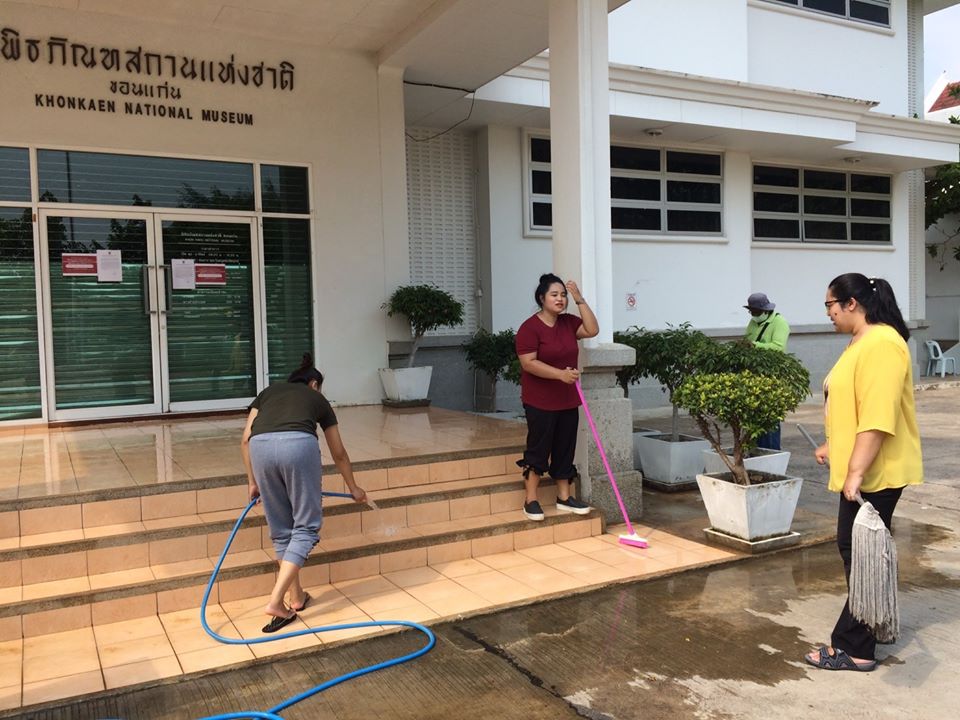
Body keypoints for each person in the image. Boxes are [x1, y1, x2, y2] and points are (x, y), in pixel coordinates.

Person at [804, 273, 923, 672]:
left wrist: (855, 471)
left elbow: (877, 418)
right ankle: (873, 625)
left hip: (878, 471)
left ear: (851, 303)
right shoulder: (861, 341)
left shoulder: (882, 344)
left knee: (861, 553)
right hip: (864, 466)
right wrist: (833, 446)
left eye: (830, 305)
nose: (828, 313)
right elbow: (851, 406)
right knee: (857, 551)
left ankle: (856, 647)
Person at [240, 353, 367, 633]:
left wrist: (252, 482)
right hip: (298, 445)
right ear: (314, 384)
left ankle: (295, 598)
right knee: (306, 527)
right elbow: (339, 452)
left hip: (260, 449)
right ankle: (276, 601)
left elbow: (246, 439)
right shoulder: (317, 399)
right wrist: (354, 488)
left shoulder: (268, 393)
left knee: (282, 530)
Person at [515, 273, 599, 521]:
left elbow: (592, 330)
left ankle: (564, 497)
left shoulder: (569, 323)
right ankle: (531, 499)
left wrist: (579, 299)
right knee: (539, 448)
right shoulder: (529, 328)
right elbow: (528, 363)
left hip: (567, 399)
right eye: (554, 295)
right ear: (542, 298)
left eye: (563, 295)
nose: (560, 299)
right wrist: (559, 374)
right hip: (539, 400)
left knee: (565, 446)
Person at [743, 292, 790, 450]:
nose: (753, 315)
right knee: (755, 418)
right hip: (754, 375)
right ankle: (758, 451)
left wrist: (755, 346)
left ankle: (772, 454)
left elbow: (778, 347)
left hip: (772, 375)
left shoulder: (779, 323)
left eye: (755, 312)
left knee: (770, 419)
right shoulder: (753, 322)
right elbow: (747, 340)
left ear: (765, 310)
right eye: (751, 312)